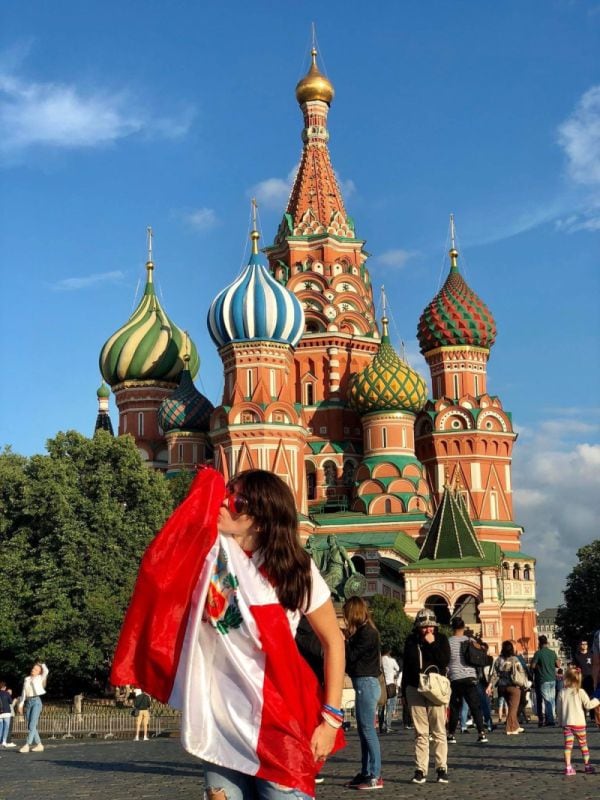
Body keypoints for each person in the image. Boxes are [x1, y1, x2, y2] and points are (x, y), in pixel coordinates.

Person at [111, 467, 345, 800]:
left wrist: (331, 720)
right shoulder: (209, 558)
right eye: (227, 493)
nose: (224, 503)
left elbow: (333, 641)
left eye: (237, 502)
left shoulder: (296, 570)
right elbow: (159, 567)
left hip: (280, 723)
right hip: (221, 721)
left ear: (260, 520)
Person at [401, 608, 451, 785]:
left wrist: (432, 644)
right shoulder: (411, 641)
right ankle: (420, 770)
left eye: (431, 626)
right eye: (424, 627)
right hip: (414, 688)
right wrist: (404, 692)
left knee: (438, 730)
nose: (428, 629)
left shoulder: (441, 639)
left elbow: (444, 661)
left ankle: (441, 768)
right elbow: (406, 667)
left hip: (435, 688)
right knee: (420, 732)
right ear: (417, 627)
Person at [343, 596, 383, 790]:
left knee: (368, 730)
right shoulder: (363, 631)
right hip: (362, 682)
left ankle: (375, 774)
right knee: (363, 731)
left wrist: (344, 641)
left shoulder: (367, 633)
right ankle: (366, 771)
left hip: (367, 682)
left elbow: (352, 656)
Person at [446, 618, 488, 744]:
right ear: (463, 627)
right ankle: (481, 733)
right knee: (475, 706)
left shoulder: (448, 642)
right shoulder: (471, 641)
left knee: (455, 708)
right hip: (470, 678)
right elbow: (482, 653)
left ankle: (451, 735)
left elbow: (446, 661)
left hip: (455, 678)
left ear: (452, 628)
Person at [557, 666, 599, 775]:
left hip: (567, 724)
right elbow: (588, 705)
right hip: (579, 724)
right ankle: (587, 766)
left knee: (568, 746)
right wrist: (597, 700)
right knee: (583, 745)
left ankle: (568, 767)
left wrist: (560, 721)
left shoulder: (562, 692)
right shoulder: (581, 692)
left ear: (566, 678)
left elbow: (559, 709)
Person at [487, 641, 527, 735]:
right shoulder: (514, 659)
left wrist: (489, 686)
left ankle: (516, 726)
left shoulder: (498, 660)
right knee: (513, 708)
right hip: (513, 686)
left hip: (502, 687)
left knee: (511, 706)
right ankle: (510, 728)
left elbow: (494, 674)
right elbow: (521, 671)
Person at [17, 661, 49, 753]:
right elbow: (23, 692)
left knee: (32, 725)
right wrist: (21, 704)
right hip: (28, 702)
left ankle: (27, 745)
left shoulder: (40, 678)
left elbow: (46, 671)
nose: (33, 670)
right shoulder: (26, 679)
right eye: (33, 668)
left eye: (36, 669)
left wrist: (42, 664)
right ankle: (39, 745)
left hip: (36, 702)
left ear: (39, 672)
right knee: (31, 726)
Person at [531, 635, 559, 726]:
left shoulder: (538, 653)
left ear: (539, 643)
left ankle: (549, 720)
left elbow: (532, 666)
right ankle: (550, 718)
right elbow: (558, 665)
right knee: (552, 700)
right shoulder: (552, 652)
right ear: (547, 642)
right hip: (552, 679)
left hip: (543, 679)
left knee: (546, 700)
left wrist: (538, 666)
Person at [378, 644, 399, 734]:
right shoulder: (391, 660)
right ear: (389, 651)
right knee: (389, 707)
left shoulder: (379, 660)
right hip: (390, 685)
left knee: (381, 706)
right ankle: (388, 726)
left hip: (381, 685)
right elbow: (397, 668)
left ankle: (381, 726)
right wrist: (393, 672)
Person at [0, 681, 16, 747]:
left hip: (0, 714)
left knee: (0, 727)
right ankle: (4, 741)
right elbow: (10, 702)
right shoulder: (6, 693)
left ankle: (0, 741)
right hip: (6, 712)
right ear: (4, 687)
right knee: (6, 727)